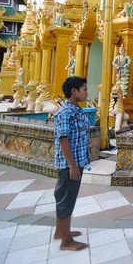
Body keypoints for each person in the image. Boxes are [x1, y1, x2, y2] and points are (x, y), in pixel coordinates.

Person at [53, 77, 90, 251]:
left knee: (67, 197)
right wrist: (73, 166)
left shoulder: (76, 110)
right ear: (74, 91)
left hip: (77, 161)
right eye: (84, 89)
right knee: (65, 199)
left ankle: (61, 232)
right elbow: (63, 140)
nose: (86, 92)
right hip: (70, 165)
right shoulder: (65, 112)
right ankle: (66, 242)